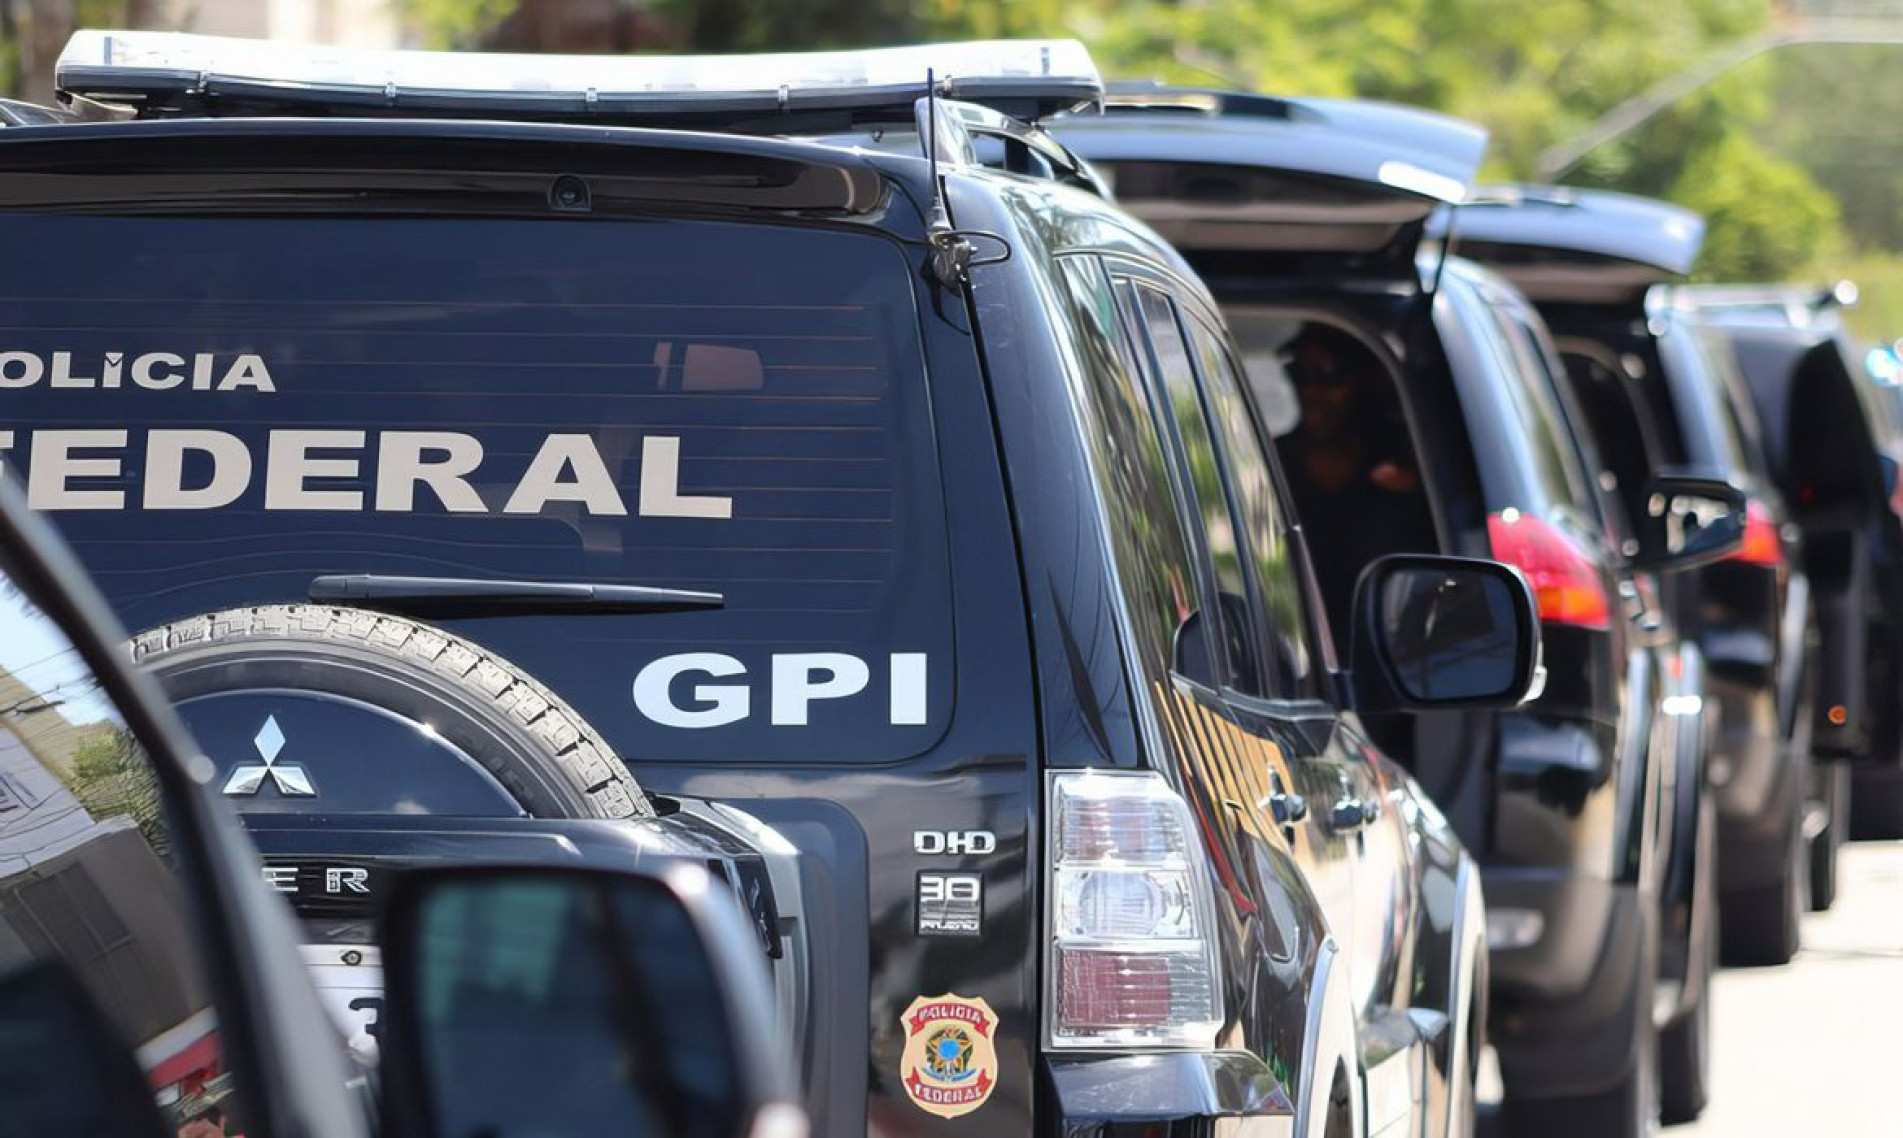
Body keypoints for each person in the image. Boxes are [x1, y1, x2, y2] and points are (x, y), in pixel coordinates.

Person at [1273, 324, 1437, 631]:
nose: (1311, 392)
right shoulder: (1271, 465)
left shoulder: (1416, 470)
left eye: (1329, 376)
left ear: (1368, 381)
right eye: (1300, 375)